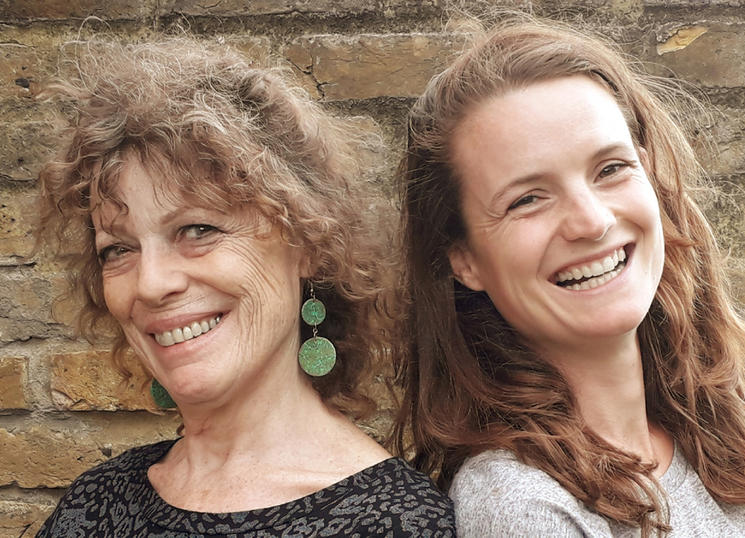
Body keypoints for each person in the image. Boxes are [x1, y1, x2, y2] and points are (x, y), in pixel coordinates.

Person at [35, 37, 455, 537]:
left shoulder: (399, 524)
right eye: (117, 249)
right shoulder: (92, 504)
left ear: (309, 243)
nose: (150, 283)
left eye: (198, 229)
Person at [394, 16, 745, 537]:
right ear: (465, 261)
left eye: (610, 169)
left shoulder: (730, 437)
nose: (592, 220)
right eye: (527, 199)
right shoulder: (521, 504)